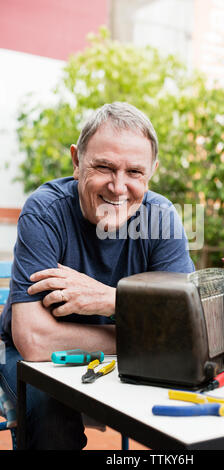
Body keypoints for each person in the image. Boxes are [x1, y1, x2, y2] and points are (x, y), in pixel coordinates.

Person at [0, 102, 194, 449]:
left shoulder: (161, 217)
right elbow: (33, 339)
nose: (118, 187)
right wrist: (145, 335)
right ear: (77, 162)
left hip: (107, 356)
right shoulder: (45, 212)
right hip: (26, 357)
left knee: (188, 414)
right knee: (52, 422)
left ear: (152, 171)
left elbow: (188, 330)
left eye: (135, 172)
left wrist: (109, 298)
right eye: (104, 167)